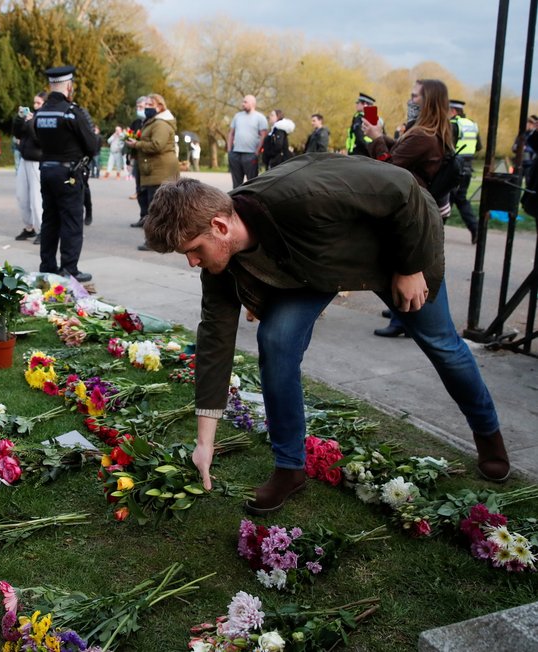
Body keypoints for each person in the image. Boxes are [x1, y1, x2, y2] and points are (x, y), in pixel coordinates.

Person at [142, 155, 509, 515]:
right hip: (316, 268)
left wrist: (410, 266)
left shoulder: (302, 196)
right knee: (276, 340)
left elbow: (404, 190)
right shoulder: (220, 260)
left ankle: (488, 435)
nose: (192, 262)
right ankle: (290, 467)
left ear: (220, 226)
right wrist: (204, 442)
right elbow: (214, 341)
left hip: (395, 248)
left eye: (193, 251)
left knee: (440, 343)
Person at [362, 78, 453, 338]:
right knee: (410, 268)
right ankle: (403, 315)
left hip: (412, 211)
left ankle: (406, 319)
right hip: (415, 209)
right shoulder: (423, 131)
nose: (410, 101)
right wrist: (382, 137)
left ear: (429, 102)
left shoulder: (424, 135)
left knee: (414, 268)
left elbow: (391, 170)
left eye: (415, 97)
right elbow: (402, 154)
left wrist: (377, 137)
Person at [32, 64, 98, 283]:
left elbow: (35, 138)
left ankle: (48, 266)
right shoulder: (71, 113)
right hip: (68, 173)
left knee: (50, 219)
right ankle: (69, 269)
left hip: (47, 170)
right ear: (69, 86)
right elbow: (91, 146)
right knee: (71, 221)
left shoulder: (40, 113)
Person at [124, 93, 179, 251]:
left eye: (150, 104)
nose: (146, 107)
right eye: (145, 104)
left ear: (160, 106)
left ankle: (155, 242)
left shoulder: (160, 124)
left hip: (160, 170)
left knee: (156, 208)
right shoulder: (153, 122)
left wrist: (137, 145)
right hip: (154, 169)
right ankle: (162, 240)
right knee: (157, 207)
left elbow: (157, 145)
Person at [12, 92, 46, 242]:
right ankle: (29, 227)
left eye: (38, 103)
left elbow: (39, 139)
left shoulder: (44, 118)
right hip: (24, 158)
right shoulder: (31, 117)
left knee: (36, 198)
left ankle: (43, 230)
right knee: (21, 196)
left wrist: (32, 122)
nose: (35, 106)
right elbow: (18, 134)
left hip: (36, 160)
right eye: (34, 102)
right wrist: (20, 119)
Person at [448, 99, 481, 243]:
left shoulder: (454, 125)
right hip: (467, 169)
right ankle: (476, 229)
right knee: (460, 199)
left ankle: (433, 233)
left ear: (453, 111)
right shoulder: (472, 125)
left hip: (453, 168)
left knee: (443, 199)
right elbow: (478, 147)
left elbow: (446, 145)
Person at [227, 95, 268, 188]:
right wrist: (229, 150)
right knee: (236, 184)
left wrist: (257, 152)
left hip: (250, 154)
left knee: (252, 183)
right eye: (243, 102)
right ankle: (236, 201)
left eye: (245, 102)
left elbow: (263, 135)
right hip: (235, 153)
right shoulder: (237, 116)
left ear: (253, 103)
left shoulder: (260, 117)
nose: (243, 104)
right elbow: (231, 133)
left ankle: (251, 202)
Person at [128, 96, 150, 227]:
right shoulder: (136, 123)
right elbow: (130, 137)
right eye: (137, 107)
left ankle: (150, 219)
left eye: (141, 107)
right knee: (140, 190)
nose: (139, 109)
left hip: (148, 160)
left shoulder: (151, 122)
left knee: (148, 191)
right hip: (137, 159)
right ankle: (143, 216)